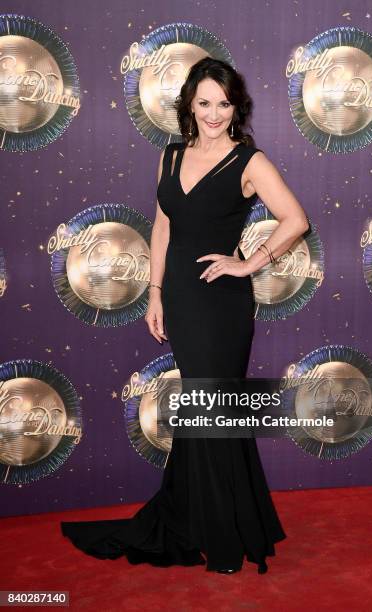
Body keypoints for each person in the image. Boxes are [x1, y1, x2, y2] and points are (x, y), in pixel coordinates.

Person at [61, 56, 309, 574]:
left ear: (235, 107)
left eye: (224, 103)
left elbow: (296, 220)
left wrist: (249, 264)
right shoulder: (170, 157)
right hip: (179, 297)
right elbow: (161, 228)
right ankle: (220, 524)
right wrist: (154, 293)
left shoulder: (249, 161)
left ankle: (223, 536)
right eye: (205, 103)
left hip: (221, 306)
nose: (215, 113)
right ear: (189, 106)